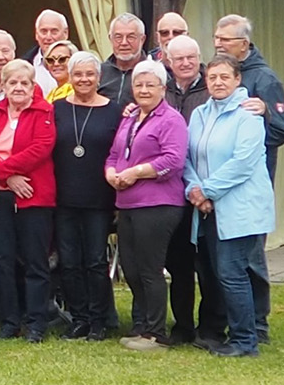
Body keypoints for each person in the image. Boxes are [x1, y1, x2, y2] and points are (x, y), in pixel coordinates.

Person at [184, 54, 275, 357]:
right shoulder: (198, 114)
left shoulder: (248, 115)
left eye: (225, 77)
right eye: (212, 77)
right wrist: (194, 190)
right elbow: (188, 158)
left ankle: (245, 341)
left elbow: (244, 162)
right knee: (216, 274)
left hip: (239, 208)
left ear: (238, 80)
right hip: (207, 209)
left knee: (233, 273)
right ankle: (227, 332)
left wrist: (207, 190)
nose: (218, 82)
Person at [106, 60, 189, 351]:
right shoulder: (130, 118)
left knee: (150, 269)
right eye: (138, 84)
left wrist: (136, 172)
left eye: (150, 85)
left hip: (158, 204)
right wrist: (111, 173)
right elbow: (115, 154)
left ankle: (156, 333)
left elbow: (173, 160)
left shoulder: (171, 120)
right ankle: (142, 325)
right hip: (127, 202)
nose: (143, 89)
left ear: (162, 89)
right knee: (130, 268)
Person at [0, 59, 56, 342]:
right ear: (3, 86)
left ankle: (36, 323)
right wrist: (5, 178)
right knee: (1, 259)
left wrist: (0, 169)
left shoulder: (44, 111)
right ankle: (9, 321)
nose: (19, 87)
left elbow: (40, 149)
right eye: (13, 83)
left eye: (24, 83)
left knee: (35, 261)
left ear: (33, 86)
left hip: (33, 195)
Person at [50, 49, 120, 340]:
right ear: (70, 76)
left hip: (99, 200)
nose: (83, 79)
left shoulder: (115, 110)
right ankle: (78, 318)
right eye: (78, 73)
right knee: (69, 261)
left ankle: (98, 319)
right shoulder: (56, 108)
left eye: (90, 74)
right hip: (63, 197)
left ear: (99, 77)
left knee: (95, 261)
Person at [159, 33, 214, 345]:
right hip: (170, 190)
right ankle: (182, 327)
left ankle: (210, 327)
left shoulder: (212, 88)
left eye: (191, 57)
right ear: (168, 60)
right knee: (178, 265)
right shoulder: (159, 88)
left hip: (205, 188)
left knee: (208, 265)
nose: (185, 63)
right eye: (178, 58)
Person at [214, 14, 284, 183]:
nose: (218, 44)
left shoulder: (265, 79)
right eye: (217, 38)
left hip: (253, 180)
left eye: (225, 39)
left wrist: (266, 114)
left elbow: (281, 131)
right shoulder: (217, 75)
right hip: (218, 176)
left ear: (244, 44)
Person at [99, 13, 146, 107]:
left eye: (131, 37)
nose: (124, 43)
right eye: (118, 37)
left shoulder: (152, 73)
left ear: (142, 39)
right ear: (110, 39)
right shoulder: (99, 72)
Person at [29, 9, 71, 94]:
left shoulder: (80, 63)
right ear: (36, 34)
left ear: (65, 33)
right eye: (43, 31)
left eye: (54, 32)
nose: (48, 37)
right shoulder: (26, 64)